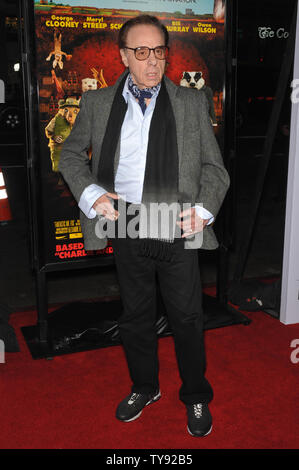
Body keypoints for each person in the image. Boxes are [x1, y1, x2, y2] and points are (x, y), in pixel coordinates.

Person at [59, 15, 230, 437]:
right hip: (126, 220)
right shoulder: (98, 104)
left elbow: (215, 169)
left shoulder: (191, 102)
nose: (151, 61)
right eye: (141, 51)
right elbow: (69, 155)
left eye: (159, 51)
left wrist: (205, 210)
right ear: (123, 56)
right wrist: (92, 195)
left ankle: (195, 395)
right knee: (135, 316)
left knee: (187, 316)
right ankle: (144, 386)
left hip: (175, 221)